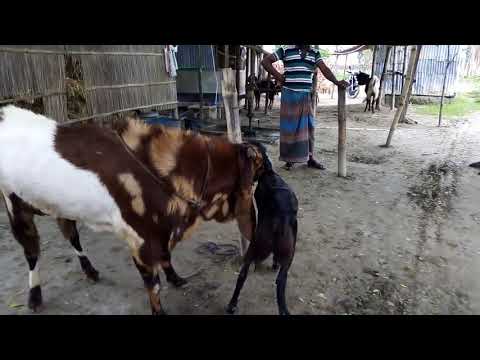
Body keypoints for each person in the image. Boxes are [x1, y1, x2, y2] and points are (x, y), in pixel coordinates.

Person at [261, 45, 349, 170]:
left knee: (309, 128)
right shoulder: (285, 50)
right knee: (290, 129)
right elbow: (265, 62)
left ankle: (310, 158)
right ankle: (290, 160)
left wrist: (337, 82)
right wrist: (278, 76)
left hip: (305, 96)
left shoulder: (314, 53)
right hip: (289, 95)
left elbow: (325, 69)